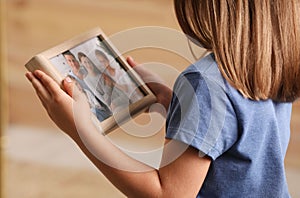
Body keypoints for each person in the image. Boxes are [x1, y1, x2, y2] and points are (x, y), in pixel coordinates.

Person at [25, 0, 300, 197]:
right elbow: (236, 135)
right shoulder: (266, 68)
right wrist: (169, 99)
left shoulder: (205, 82)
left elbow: (167, 193)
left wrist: (80, 127)